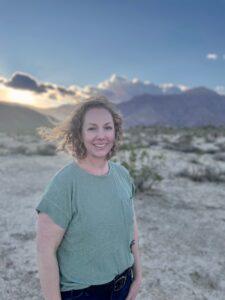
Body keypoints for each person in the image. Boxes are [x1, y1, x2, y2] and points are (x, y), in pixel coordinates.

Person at [36, 96, 142, 300]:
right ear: (80, 133)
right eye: (92, 128)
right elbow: (45, 250)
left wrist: (137, 277)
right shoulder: (65, 183)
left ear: (115, 132)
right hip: (84, 293)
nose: (101, 136)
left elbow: (131, 226)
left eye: (107, 127)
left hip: (124, 284)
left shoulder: (122, 174)